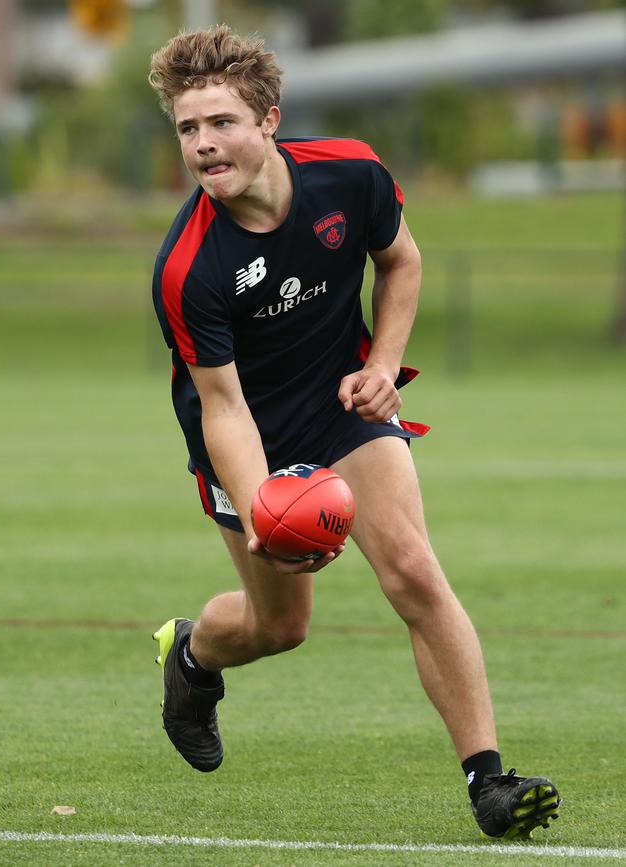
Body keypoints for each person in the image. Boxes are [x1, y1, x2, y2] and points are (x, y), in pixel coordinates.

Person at [148, 24, 560, 840]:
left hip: (344, 405)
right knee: (281, 627)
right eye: (188, 128)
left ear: (270, 118)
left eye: (221, 122)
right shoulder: (189, 266)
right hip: (247, 434)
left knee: (412, 568)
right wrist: (264, 503)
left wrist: (386, 365)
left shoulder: (351, 172)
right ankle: (192, 657)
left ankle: (490, 781)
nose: (203, 144)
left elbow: (400, 260)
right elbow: (223, 406)